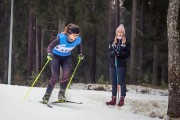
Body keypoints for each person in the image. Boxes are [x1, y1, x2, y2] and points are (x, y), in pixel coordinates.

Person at [42, 23, 84, 103]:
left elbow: (79, 46)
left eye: (78, 35)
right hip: (55, 57)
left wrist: (80, 54)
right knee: (55, 76)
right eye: (75, 35)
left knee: (66, 74)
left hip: (66, 57)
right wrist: (49, 53)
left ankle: (61, 94)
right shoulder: (61, 39)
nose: (76, 37)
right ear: (69, 33)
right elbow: (50, 46)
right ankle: (47, 95)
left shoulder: (78, 40)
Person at [106, 24, 130, 107]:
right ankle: (113, 98)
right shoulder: (112, 41)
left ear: (123, 33)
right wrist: (113, 53)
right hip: (113, 65)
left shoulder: (126, 42)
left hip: (121, 65)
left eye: (121, 32)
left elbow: (127, 53)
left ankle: (122, 98)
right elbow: (109, 52)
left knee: (121, 82)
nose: (120, 33)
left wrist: (119, 53)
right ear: (116, 33)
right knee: (114, 82)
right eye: (118, 32)